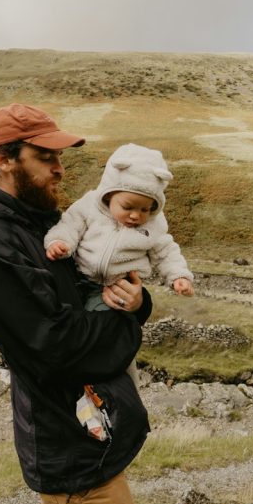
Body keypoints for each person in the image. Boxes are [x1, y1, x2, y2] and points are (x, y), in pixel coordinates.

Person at [0, 103, 152, 504]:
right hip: (71, 443)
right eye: (46, 158)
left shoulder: (39, 223)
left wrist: (137, 302)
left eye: (59, 157)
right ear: (4, 160)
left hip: (82, 438)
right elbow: (56, 345)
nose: (59, 169)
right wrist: (125, 324)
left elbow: (89, 287)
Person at [44, 143, 194, 384]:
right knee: (77, 330)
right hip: (78, 279)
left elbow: (166, 251)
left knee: (107, 341)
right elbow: (70, 225)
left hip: (116, 290)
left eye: (145, 209)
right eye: (128, 207)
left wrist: (179, 277)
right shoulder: (89, 207)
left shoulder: (153, 226)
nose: (136, 215)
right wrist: (60, 242)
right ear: (109, 193)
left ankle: (113, 386)